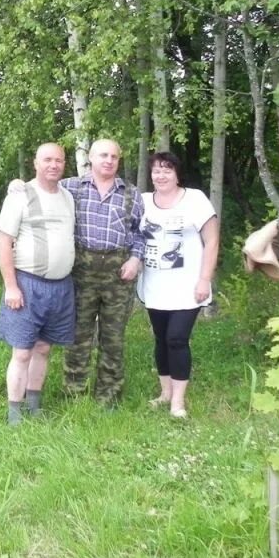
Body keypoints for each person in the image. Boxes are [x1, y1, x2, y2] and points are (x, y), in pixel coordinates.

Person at [0, 142, 76, 424]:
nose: (54, 165)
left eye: (59, 160)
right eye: (47, 160)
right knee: (22, 351)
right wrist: (11, 286)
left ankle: (34, 405)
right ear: (36, 163)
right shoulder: (20, 195)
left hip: (61, 287)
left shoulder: (68, 195)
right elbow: (3, 241)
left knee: (44, 348)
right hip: (27, 285)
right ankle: (14, 415)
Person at [59, 139, 144, 407]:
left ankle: (108, 397)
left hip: (118, 274)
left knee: (113, 337)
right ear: (91, 159)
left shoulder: (132, 194)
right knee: (77, 335)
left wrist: (135, 259)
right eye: (103, 155)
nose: (109, 160)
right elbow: (38, 193)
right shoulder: (69, 188)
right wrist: (17, 186)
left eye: (114, 157)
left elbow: (142, 233)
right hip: (81, 271)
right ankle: (74, 394)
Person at [137, 151, 219, 419]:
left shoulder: (195, 200)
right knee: (161, 339)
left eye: (167, 169)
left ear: (177, 173)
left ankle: (178, 402)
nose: (161, 175)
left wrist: (205, 279)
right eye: (156, 170)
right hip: (154, 285)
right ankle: (165, 393)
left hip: (188, 286)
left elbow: (212, 241)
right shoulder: (143, 201)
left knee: (177, 338)